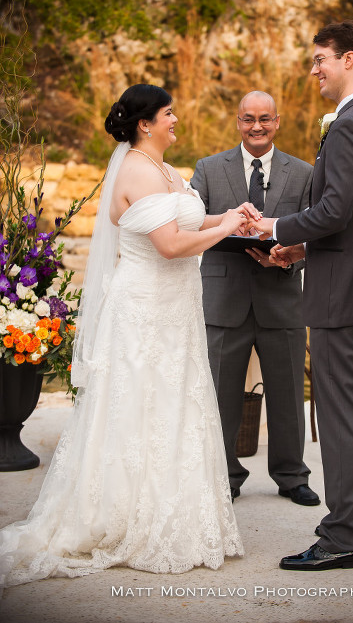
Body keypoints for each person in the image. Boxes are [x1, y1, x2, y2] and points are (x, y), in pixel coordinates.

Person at [0, 84, 253, 588]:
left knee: (175, 407)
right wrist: (225, 229)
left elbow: (183, 219)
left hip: (174, 309)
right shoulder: (137, 170)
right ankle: (123, 519)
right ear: (145, 124)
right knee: (140, 409)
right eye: (168, 113)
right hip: (143, 311)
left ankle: (173, 514)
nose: (176, 119)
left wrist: (227, 217)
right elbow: (171, 246)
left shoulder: (163, 169)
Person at [252, 22, 353, 570]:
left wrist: (274, 230)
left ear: (348, 59)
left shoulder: (348, 126)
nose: (313, 69)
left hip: (344, 297)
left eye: (320, 60)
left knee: (342, 416)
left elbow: (335, 211)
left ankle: (342, 538)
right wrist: (305, 252)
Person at [190, 91, 319, 507]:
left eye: (265, 119)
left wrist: (287, 260)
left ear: (277, 122)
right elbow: (190, 228)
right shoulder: (208, 170)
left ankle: (291, 475)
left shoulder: (303, 173)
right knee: (220, 396)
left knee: (287, 396)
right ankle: (225, 474)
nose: (257, 126)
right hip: (223, 297)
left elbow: (314, 234)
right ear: (238, 121)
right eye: (249, 119)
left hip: (281, 296)